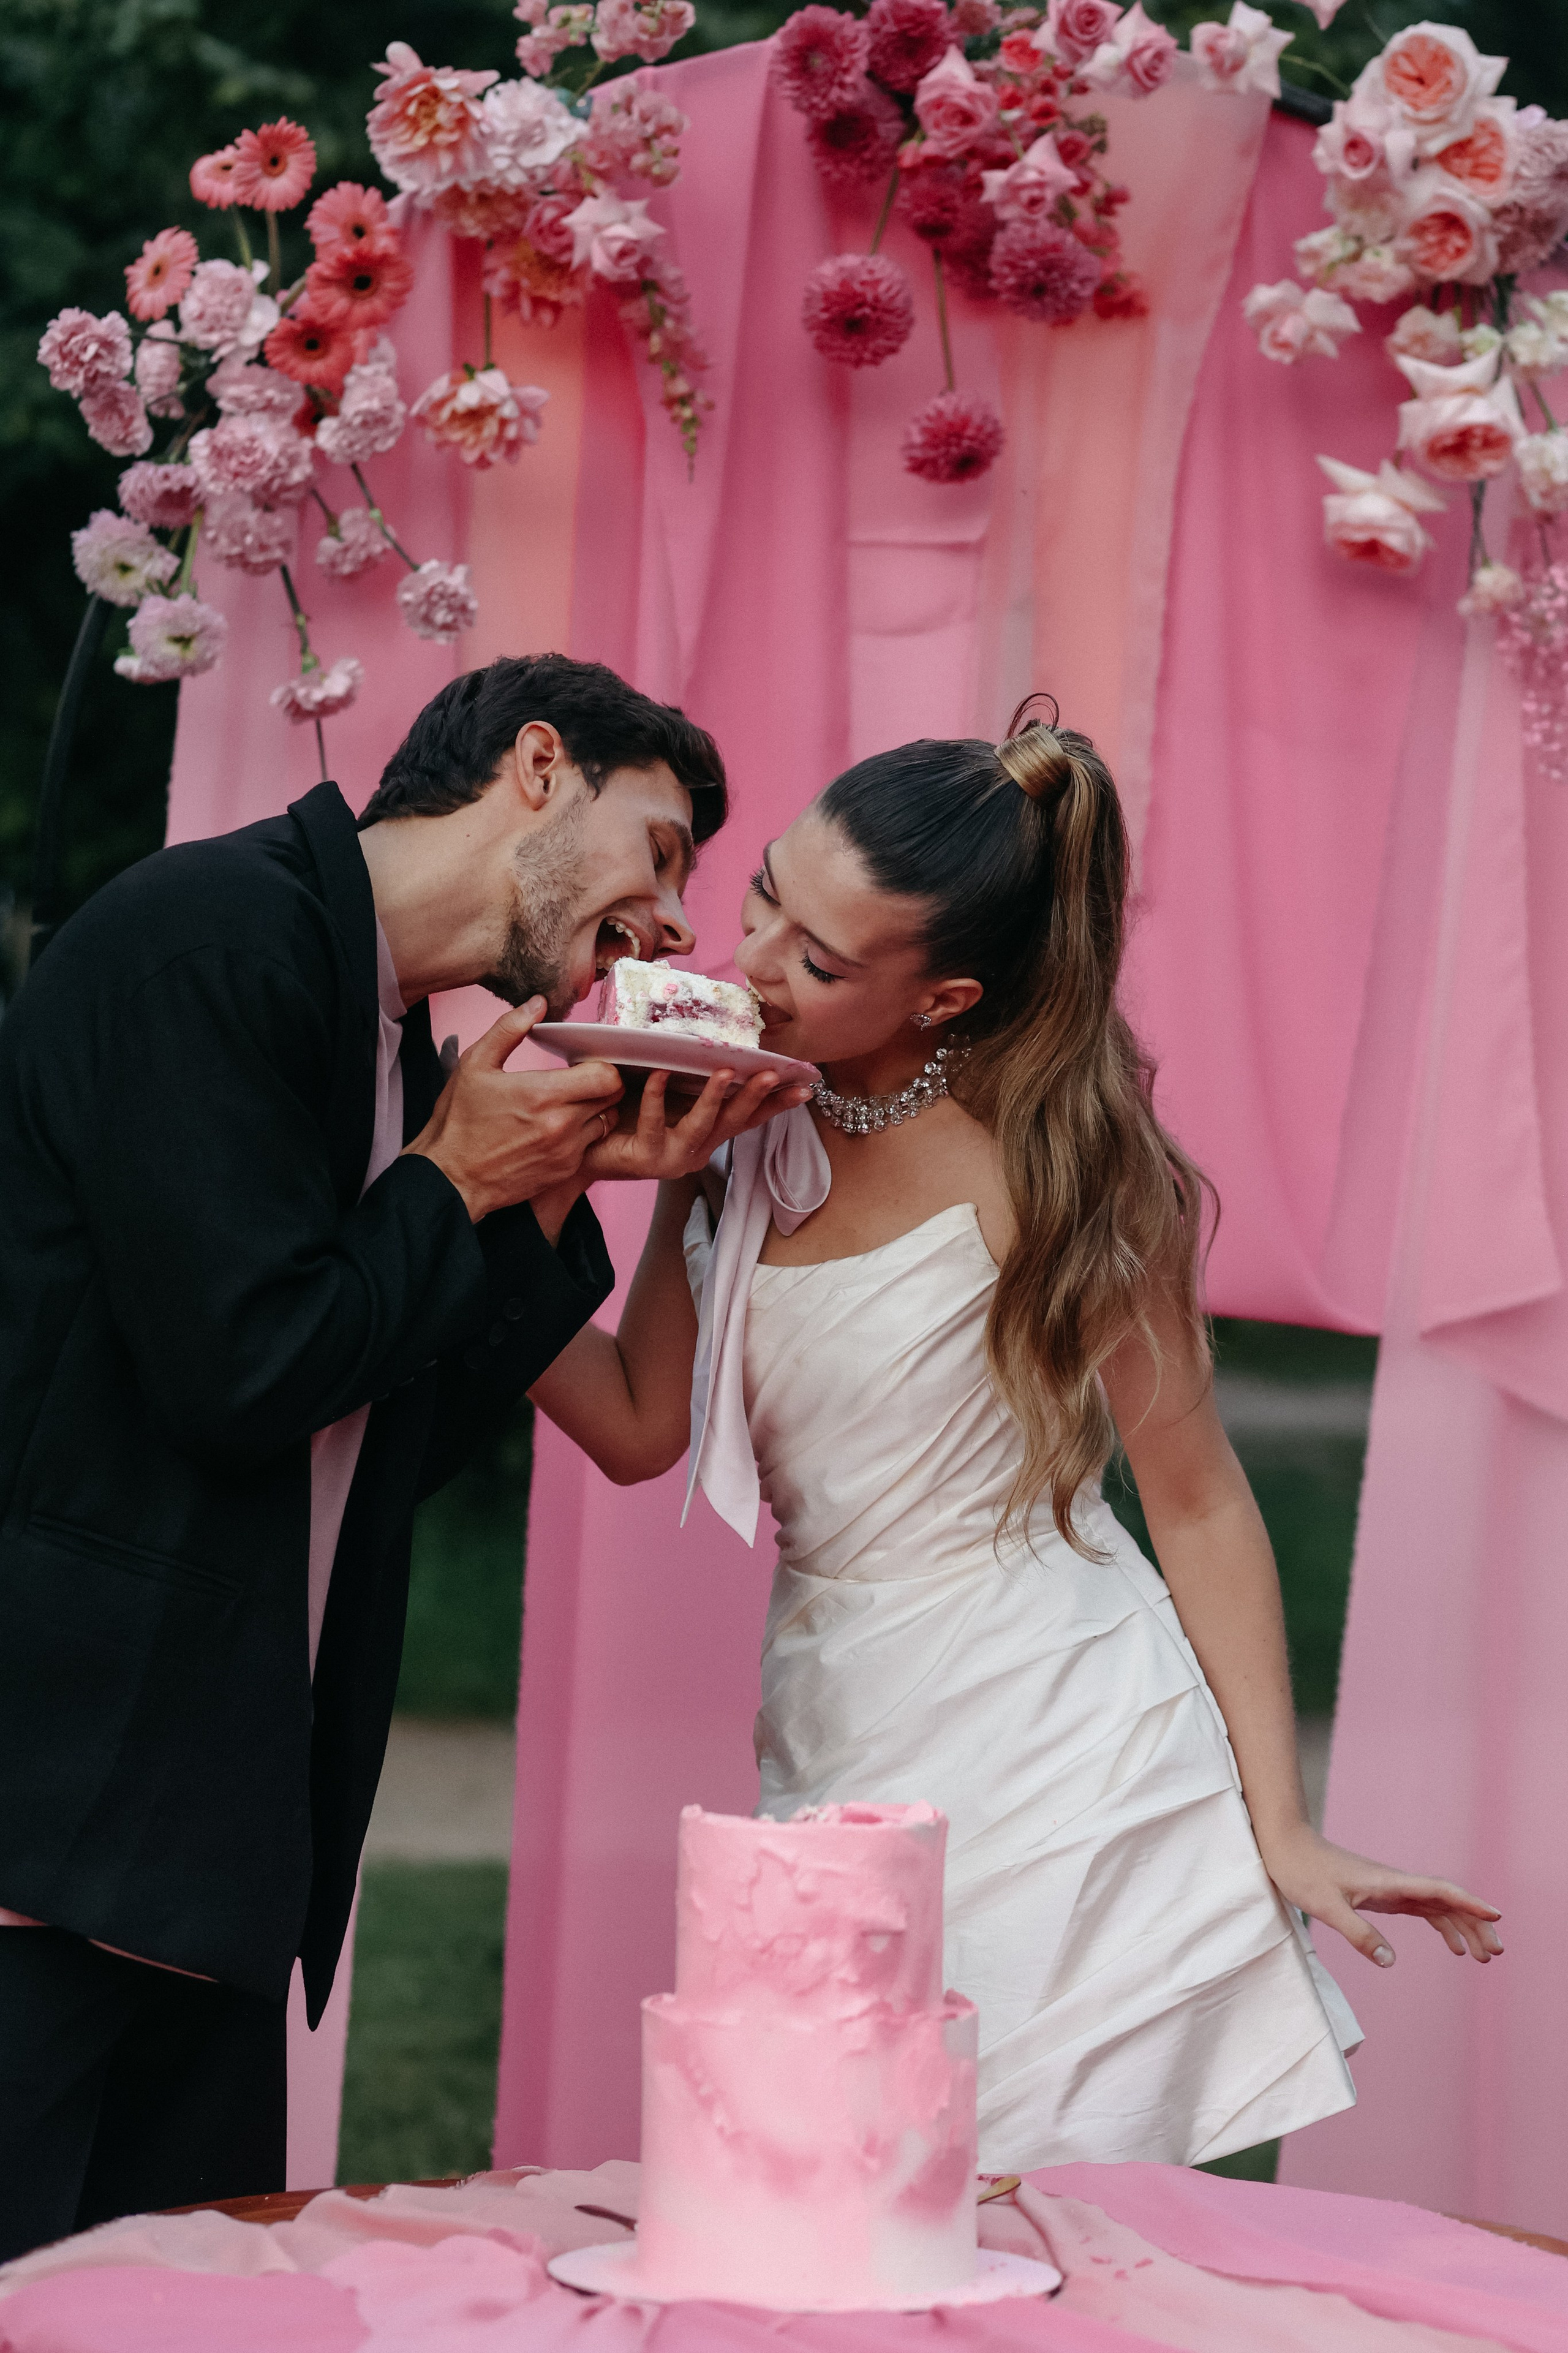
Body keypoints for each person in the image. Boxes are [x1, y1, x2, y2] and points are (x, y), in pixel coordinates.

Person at [528, 705, 1504, 2172]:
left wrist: (1281, 1823)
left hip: (1058, 1738)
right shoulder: (727, 1119)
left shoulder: (1058, 1170)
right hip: (833, 1702)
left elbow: (1196, 1499)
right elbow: (632, 1424)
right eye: (765, 898)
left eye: (818, 960)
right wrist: (479, 1217)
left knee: (1029, 2219)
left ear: (943, 998)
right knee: (835, 2201)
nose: (753, 964)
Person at [0, 652, 804, 2261]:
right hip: (50, 1828)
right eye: (659, 853)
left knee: (182, 2317)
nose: (673, 926)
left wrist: (548, 1181)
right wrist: (451, 1185)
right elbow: (245, 1373)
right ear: (536, 765)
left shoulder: (397, 1048)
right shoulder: (209, 940)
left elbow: (366, 1449)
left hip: (204, 1847)